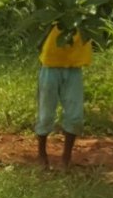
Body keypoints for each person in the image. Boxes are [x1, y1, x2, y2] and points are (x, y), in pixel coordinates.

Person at [35, 23, 93, 170]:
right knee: (46, 115)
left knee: (75, 116)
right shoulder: (54, 3)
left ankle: (66, 158)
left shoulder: (88, 5)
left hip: (74, 65)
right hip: (50, 63)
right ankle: (42, 154)